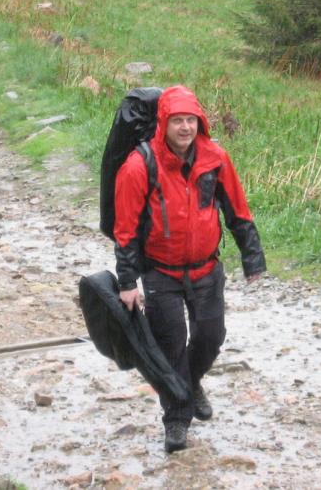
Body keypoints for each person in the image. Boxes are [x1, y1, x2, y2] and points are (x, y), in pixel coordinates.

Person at [113, 85, 266, 452]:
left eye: (191, 120)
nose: (185, 127)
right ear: (163, 123)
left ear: (201, 122)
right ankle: (177, 420)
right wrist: (127, 281)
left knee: (211, 336)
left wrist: (252, 257)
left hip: (206, 269)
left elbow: (237, 209)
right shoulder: (139, 165)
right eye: (177, 120)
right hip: (160, 271)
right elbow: (126, 230)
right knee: (171, 344)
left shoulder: (215, 158)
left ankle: (190, 380)